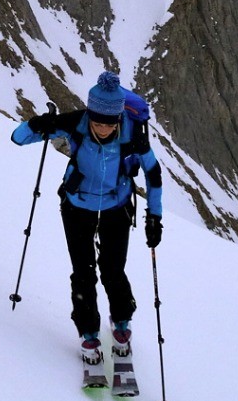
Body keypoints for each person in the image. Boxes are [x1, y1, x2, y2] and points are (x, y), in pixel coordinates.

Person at [11, 71, 163, 367]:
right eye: (98, 122)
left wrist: (154, 217)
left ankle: (121, 324)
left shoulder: (133, 132)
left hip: (116, 207)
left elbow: (153, 175)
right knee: (83, 271)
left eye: (110, 123)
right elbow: (18, 138)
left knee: (113, 269)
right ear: (90, 114)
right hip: (77, 206)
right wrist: (37, 124)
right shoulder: (76, 122)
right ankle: (88, 333)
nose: (104, 128)